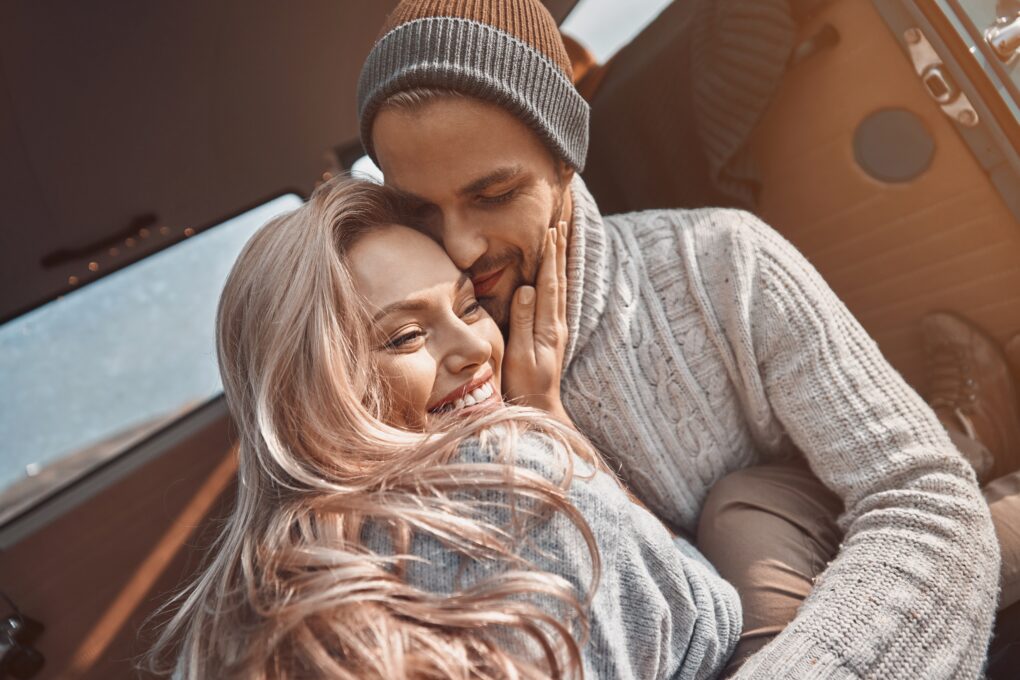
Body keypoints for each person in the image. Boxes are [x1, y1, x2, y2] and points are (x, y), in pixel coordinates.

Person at [356, 1, 1004, 676]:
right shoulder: (420, 383)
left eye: (493, 195)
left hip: (834, 555)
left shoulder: (724, 264)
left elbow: (924, 500)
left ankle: (967, 432)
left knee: (744, 515)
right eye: (421, 210)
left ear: (564, 160)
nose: (460, 246)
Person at [142, 176, 741, 679]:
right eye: (405, 336)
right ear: (313, 393)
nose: (474, 348)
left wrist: (541, 414)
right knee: (750, 502)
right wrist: (548, 440)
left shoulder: (238, 607)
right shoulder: (516, 490)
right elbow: (707, 611)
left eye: (470, 306)